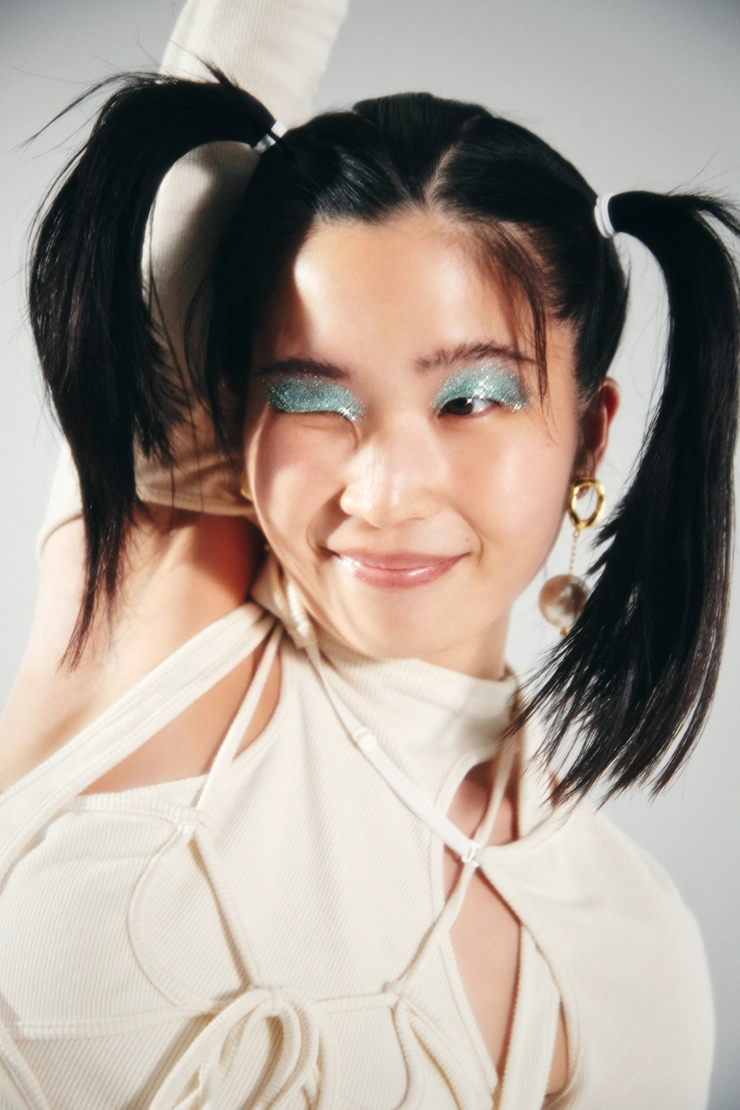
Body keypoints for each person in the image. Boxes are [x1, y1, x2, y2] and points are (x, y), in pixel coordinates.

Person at [0, 0, 737, 1106]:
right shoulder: (164, 634)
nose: (384, 492)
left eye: (471, 399)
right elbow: (214, 109)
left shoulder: (637, 958)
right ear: (233, 417)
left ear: (589, 435)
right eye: (311, 397)